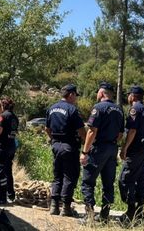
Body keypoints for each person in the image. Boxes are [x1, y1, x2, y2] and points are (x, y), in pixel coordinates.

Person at [79, 82, 124, 223]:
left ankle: (90, 216)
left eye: (98, 92)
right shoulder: (119, 110)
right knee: (108, 183)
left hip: (98, 149)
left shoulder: (98, 108)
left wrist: (85, 152)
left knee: (88, 181)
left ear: (102, 93)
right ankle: (105, 215)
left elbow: (92, 131)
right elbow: (121, 134)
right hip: (112, 149)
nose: (96, 94)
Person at [45, 84, 86, 217]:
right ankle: (66, 208)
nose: (76, 99)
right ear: (71, 94)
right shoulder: (72, 110)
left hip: (56, 145)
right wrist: (86, 142)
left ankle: (54, 206)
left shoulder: (51, 108)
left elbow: (47, 129)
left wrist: (54, 140)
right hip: (70, 146)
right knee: (69, 176)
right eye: (75, 96)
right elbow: (81, 131)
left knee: (57, 176)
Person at [119, 85, 144, 224]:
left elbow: (132, 131)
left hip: (135, 149)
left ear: (132, 96)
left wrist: (124, 149)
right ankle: (140, 211)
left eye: (129, 95)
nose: (128, 97)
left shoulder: (134, 110)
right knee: (140, 178)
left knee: (125, 179)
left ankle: (130, 211)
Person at [0, 96, 19, 205]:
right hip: (11, 146)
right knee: (8, 171)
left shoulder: (2, 116)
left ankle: (1, 197)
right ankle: (11, 194)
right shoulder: (15, 117)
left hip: (2, 147)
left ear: (3, 105)